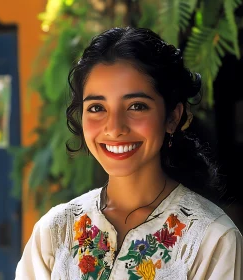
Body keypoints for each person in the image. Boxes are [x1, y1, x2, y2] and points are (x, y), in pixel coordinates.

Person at [15, 26, 243, 279]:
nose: (114, 128)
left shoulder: (211, 240)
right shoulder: (56, 232)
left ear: (172, 117)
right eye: (97, 107)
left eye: (136, 106)